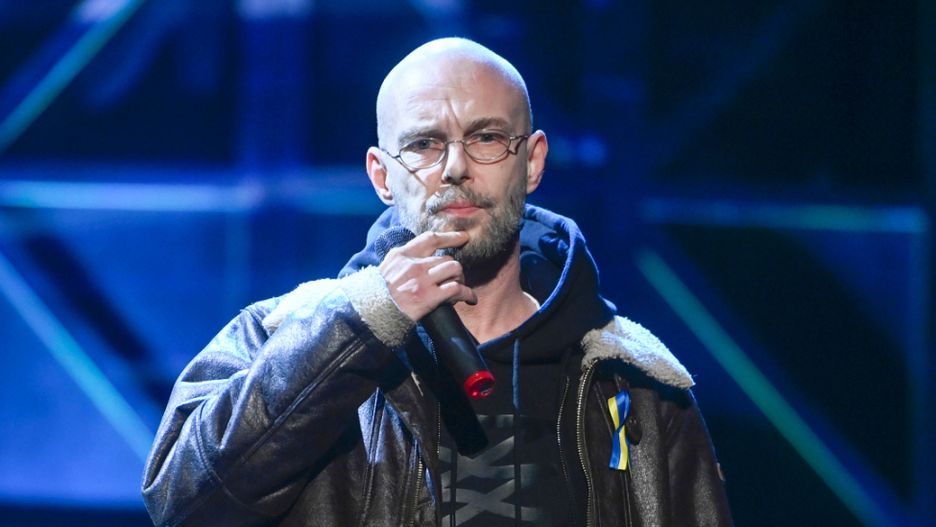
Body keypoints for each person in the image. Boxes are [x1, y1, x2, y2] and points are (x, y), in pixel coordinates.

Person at [142, 37, 732, 526]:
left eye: (486, 138)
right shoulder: (280, 334)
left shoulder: (633, 378)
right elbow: (183, 505)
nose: (455, 167)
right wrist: (362, 324)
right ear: (381, 175)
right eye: (423, 144)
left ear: (532, 162)